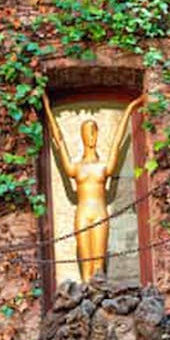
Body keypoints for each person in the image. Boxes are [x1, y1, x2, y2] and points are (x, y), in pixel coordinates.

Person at [41, 95, 145, 281]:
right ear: (81, 136)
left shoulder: (104, 166)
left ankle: (101, 301)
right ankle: (84, 303)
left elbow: (117, 142)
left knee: (98, 266)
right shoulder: (75, 167)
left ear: (97, 134)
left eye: (93, 131)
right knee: (86, 267)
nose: (90, 136)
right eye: (87, 132)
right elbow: (59, 140)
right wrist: (48, 108)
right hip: (82, 213)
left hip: (99, 213)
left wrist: (130, 109)